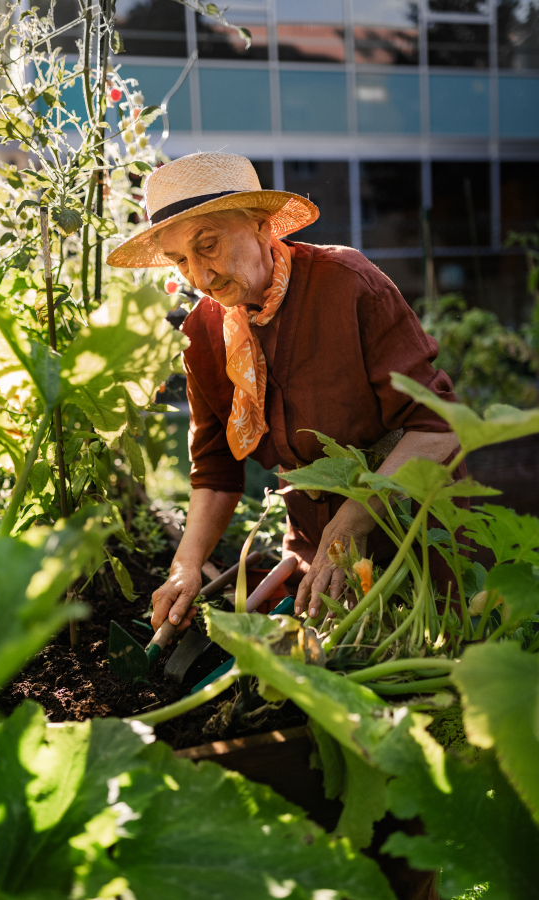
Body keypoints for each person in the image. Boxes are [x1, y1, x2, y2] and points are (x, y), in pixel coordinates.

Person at [107, 151, 462, 635]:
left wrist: (348, 524)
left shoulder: (348, 285)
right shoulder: (204, 334)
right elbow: (215, 472)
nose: (200, 278)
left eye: (207, 245)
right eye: (180, 261)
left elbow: (439, 430)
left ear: (260, 224)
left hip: (417, 538)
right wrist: (185, 566)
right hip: (319, 559)